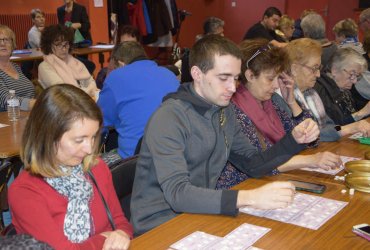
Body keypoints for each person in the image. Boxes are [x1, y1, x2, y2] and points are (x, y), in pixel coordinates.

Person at [130, 35, 320, 235]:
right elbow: (178, 194)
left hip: (199, 213)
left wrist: (293, 141)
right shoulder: (169, 118)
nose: (232, 87)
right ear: (197, 74)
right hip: (158, 226)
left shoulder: (224, 111)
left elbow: (253, 164)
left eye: (236, 78)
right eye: (223, 78)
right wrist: (250, 198)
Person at [9, 84, 133, 250]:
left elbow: (119, 221)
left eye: (93, 137)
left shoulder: (96, 168)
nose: (89, 149)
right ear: (48, 136)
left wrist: (122, 234)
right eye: (79, 140)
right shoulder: (25, 191)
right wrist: (105, 239)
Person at [216, 38, 340, 189]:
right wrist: (311, 161)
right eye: (270, 79)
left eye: (278, 78)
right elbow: (259, 164)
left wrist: (292, 102)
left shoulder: (272, 101)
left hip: (268, 182)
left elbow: (311, 141)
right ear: (249, 75)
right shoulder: (232, 109)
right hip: (241, 187)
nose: (276, 86)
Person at [98, 41, 179, 159]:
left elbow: (98, 120)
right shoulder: (169, 75)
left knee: (91, 169)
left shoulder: (117, 77)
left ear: (121, 64)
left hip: (134, 161)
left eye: (110, 69)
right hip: (172, 154)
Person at [283, 38, 370, 141]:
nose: (318, 74)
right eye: (314, 68)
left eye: (319, 68)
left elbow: (333, 127)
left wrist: (345, 128)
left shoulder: (311, 93)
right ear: (294, 69)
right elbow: (311, 134)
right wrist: (351, 127)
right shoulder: (285, 98)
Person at [38, 24, 99, 100]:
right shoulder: (44, 66)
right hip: (62, 107)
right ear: (49, 45)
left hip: (84, 101)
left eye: (66, 44)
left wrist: (88, 92)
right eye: (59, 45)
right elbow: (64, 91)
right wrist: (88, 92)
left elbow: (92, 82)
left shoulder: (75, 62)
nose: (64, 49)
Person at [314, 48, 370, 125]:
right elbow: (335, 129)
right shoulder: (320, 92)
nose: (355, 81)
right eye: (351, 74)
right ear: (335, 70)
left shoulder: (342, 87)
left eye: (357, 76)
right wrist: (362, 113)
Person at [0, 25, 36, 111]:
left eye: (7, 40)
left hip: (29, 115)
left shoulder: (15, 67)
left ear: (12, 44)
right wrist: (38, 104)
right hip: (8, 119)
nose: (2, 43)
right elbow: (6, 100)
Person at [96, 25, 140, 89]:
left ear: (138, 44)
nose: (127, 47)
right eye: (124, 43)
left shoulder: (141, 60)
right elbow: (108, 83)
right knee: (102, 74)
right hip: (116, 86)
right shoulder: (116, 57)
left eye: (131, 44)